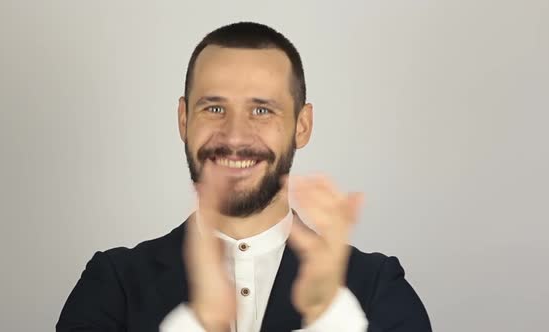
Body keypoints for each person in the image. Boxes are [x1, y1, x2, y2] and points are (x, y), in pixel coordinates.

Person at [56, 22, 432, 332]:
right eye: (215, 107)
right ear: (184, 120)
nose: (234, 136)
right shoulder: (113, 285)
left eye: (262, 111)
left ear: (302, 126)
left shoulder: (376, 287)